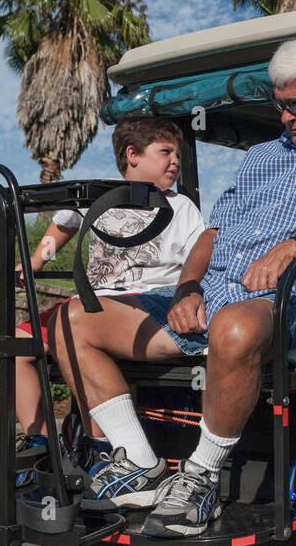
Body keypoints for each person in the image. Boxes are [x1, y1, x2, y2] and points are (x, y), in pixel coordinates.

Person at [50, 33, 296, 535]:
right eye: (279, 105)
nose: (286, 117)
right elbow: (213, 233)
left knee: (234, 327)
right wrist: (186, 289)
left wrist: (293, 249)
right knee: (72, 321)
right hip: (212, 300)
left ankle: (202, 478)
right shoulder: (260, 156)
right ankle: (138, 464)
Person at [12, 117, 204, 474]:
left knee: (73, 326)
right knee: (18, 344)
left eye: (177, 154)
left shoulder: (182, 208)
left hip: (146, 302)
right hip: (95, 301)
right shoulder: (98, 193)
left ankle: (98, 445)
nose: (175, 162)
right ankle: (39, 443)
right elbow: (64, 224)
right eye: (165, 152)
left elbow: (199, 259)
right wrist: (37, 259)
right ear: (132, 155)